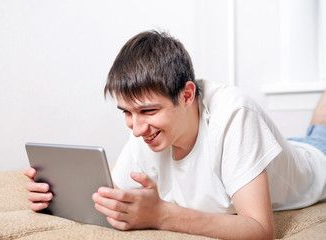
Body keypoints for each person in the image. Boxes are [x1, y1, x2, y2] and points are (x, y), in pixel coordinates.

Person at [24, 30, 326, 240]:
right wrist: (53, 197)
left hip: (316, 162)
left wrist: (162, 216)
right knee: (314, 130)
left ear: (187, 95)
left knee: (318, 136)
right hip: (276, 153)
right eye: (127, 113)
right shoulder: (146, 131)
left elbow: (261, 230)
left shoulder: (235, 114)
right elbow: (116, 199)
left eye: (148, 111)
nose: (137, 128)